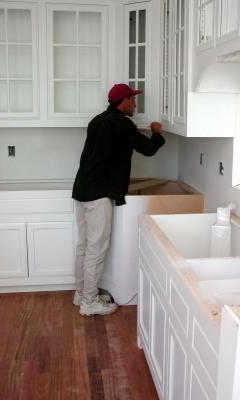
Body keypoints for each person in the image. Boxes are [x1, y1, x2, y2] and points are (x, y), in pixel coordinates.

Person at [72, 83, 165, 316]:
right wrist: (157, 133)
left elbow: (112, 146)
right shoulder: (121, 123)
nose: (135, 103)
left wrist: (134, 134)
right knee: (96, 247)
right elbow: (148, 149)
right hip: (98, 193)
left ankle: (82, 293)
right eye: (133, 99)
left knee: (84, 246)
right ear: (123, 101)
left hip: (83, 188)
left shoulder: (99, 120)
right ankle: (89, 302)